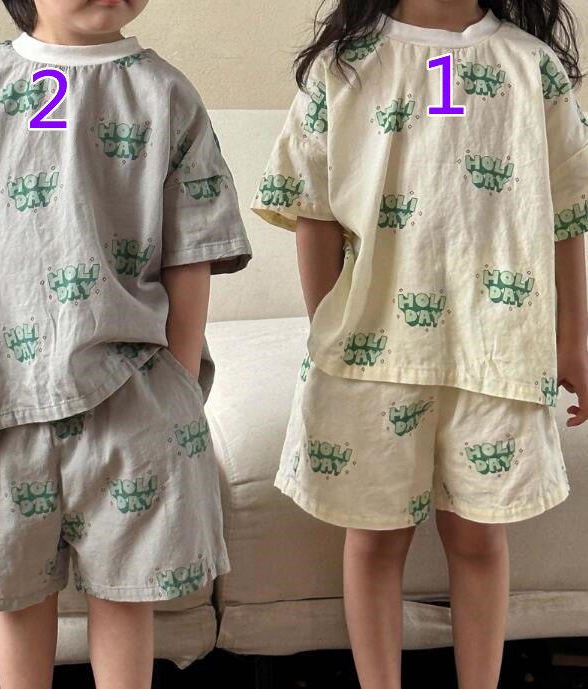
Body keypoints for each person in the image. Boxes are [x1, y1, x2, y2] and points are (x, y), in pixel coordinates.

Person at [0, 1, 252, 687]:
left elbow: (192, 250)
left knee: (127, 591)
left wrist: (179, 379)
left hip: (130, 390)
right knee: (15, 590)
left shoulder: (166, 93)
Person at [251, 1, 588, 687]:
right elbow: (314, 208)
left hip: (499, 350)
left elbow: (566, 213)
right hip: (370, 353)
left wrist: (574, 338)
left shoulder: (532, 66)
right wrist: (325, 328)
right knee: (375, 536)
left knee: (479, 535)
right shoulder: (344, 65)